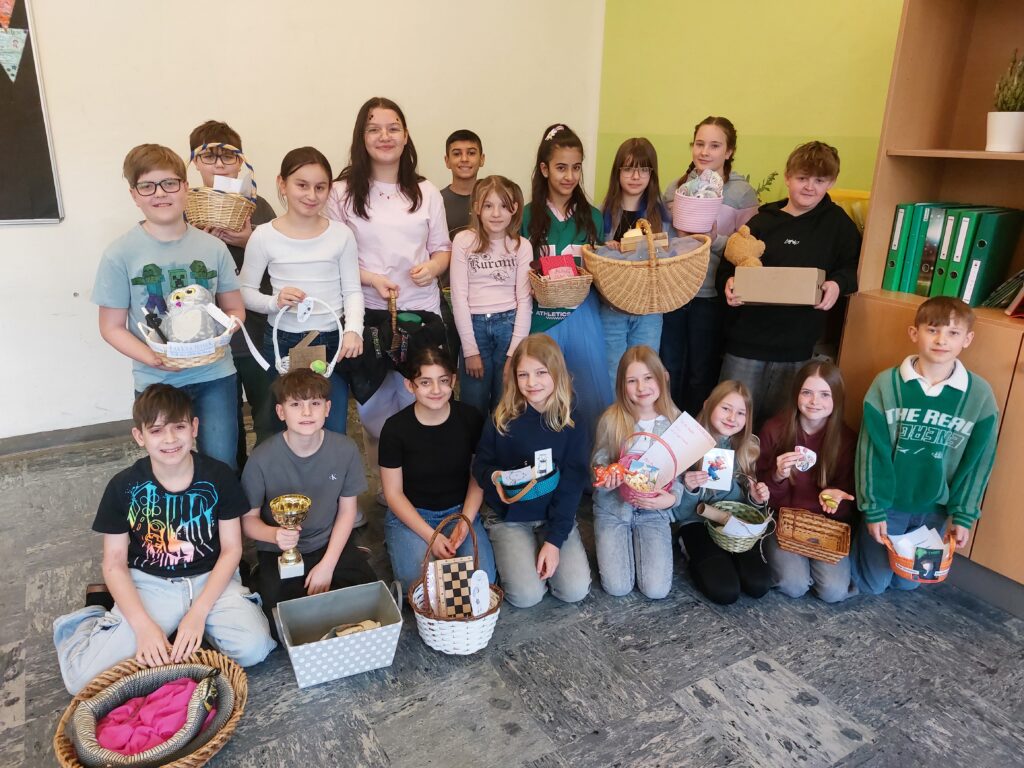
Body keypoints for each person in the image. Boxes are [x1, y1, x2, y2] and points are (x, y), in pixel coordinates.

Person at [53, 385, 275, 695]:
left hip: (211, 579)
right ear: (139, 436)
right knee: (81, 681)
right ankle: (94, 613)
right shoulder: (123, 486)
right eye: (156, 430)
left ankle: (186, 629)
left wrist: (198, 613)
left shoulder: (219, 476)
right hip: (151, 585)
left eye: (179, 427)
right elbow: (114, 563)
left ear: (194, 428)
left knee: (255, 649)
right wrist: (143, 626)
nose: (170, 439)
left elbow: (232, 549)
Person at [325, 97, 452, 505]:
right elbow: (334, 256)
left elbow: (442, 249)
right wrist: (372, 279)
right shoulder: (341, 193)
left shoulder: (426, 191)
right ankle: (386, 489)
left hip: (420, 313)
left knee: (422, 398)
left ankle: (422, 484)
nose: (385, 136)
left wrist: (433, 267)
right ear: (361, 137)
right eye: (374, 128)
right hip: (368, 312)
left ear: (406, 135)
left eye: (393, 127)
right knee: (376, 410)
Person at [92, 144, 245, 469]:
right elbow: (111, 327)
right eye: (147, 186)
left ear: (186, 187)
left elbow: (235, 309)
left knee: (222, 463)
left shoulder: (214, 248)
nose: (160, 193)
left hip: (215, 375)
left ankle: (220, 507)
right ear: (134, 195)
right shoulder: (120, 254)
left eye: (170, 183)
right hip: (156, 380)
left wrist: (224, 334)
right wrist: (153, 357)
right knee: (169, 467)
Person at [852, 297, 998, 594]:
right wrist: (874, 508)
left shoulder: (980, 395)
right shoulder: (886, 384)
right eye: (933, 330)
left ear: (967, 339)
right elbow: (871, 452)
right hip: (890, 505)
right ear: (914, 333)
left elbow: (978, 463)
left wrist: (964, 514)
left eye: (953, 333)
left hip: (935, 511)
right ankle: (854, 541)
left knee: (908, 583)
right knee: (873, 584)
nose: (942, 340)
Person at [718, 140, 860, 427]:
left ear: (831, 182)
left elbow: (852, 268)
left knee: (782, 428)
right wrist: (728, 283)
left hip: (797, 347)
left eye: (819, 181)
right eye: (802, 178)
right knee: (730, 421)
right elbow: (729, 263)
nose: (809, 187)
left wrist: (837, 284)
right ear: (787, 177)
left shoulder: (838, 225)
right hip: (746, 343)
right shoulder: (763, 221)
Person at [239, 147, 363, 437]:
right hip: (282, 341)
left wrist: (353, 330)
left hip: (332, 341)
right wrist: (275, 302)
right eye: (302, 185)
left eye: (320, 187)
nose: (311, 195)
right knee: (282, 425)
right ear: (282, 184)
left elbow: (352, 290)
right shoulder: (263, 235)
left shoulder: (341, 234)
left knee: (331, 425)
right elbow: (244, 291)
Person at [240, 369, 376, 634]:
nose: (306, 412)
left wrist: (328, 564)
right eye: (295, 405)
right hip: (279, 552)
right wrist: (274, 535)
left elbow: (347, 511)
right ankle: (262, 575)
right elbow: (248, 520)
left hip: (328, 543)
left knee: (367, 603)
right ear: (281, 412)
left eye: (314, 403)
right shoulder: (261, 458)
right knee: (282, 622)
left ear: (327, 408)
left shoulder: (345, 449)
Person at [472, 335, 592, 607]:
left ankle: (540, 551)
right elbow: (481, 465)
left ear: (556, 373)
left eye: (541, 373)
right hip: (509, 516)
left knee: (574, 590)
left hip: (553, 516)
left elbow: (572, 484)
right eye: (523, 375)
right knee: (526, 597)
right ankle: (511, 554)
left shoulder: (572, 421)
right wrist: (494, 477)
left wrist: (554, 541)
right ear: (514, 378)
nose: (531, 382)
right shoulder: (502, 417)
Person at [188, 120, 278, 467]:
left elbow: (286, 260)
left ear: (240, 162)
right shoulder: (185, 208)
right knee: (221, 429)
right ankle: (232, 489)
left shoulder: (258, 206)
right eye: (209, 157)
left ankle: (267, 484)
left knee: (269, 415)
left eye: (228, 157)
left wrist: (251, 239)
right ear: (195, 162)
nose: (220, 165)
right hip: (210, 340)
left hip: (258, 333)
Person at [662, 117, 759, 416]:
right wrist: (677, 236)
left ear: (729, 151)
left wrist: (713, 239)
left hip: (711, 296)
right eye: (699, 144)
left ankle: (697, 431)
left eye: (715, 146)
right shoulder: (676, 188)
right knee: (669, 367)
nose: (705, 152)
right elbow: (663, 242)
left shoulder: (741, 193)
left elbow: (747, 249)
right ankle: (667, 428)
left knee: (701, 372)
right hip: (674, 292)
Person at [522, 123, 612, 441]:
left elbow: (599, 270)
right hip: (541, 317)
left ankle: (591, 465)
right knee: (540, 395)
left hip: (582, 314)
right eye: (561, 167)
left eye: (576, 167)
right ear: (544, 169)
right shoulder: (526, 216)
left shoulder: (593, 217)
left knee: (588, 394)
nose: (569, 176)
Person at [379, 347, 496, 589]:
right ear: (410, 385)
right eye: (425, 382)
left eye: (443, 381)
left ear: (453, 380)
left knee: (482, 583)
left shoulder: (469, 418)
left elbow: (478, 476)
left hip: (460, 511)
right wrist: (431, 536)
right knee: (423, 588)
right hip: (412, 515)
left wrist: (465, 521)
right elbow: (393, 493)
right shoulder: (395, 429)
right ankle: (399, 541)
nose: (436, 390)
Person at [757, 360, 857, 602]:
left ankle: (809, 572)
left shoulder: (846, 440)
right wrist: (777, 476)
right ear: (796, 394)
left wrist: (835, 501)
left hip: (825, 526)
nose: (814, 401)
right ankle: (796, 570)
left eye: (825, 394)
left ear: (837, 399)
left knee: (834, 592)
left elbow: (848, 506)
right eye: (807, 392)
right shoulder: (774, 429)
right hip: (781, 520)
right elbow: (759, 496)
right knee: (794, 585)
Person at [592, 346, 682, 599]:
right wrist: (606, 478)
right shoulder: (611, 419)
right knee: (617, 587)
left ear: (662, 377)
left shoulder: (675, 420)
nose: (641, 387)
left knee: (656, 590)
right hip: (613, 508)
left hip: (653, 510)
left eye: (648, 378)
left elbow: (681, 473)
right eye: (632, 381)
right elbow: (598, 463)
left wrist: (671, 499)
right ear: (622, 385)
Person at [673, 380, 771, 604]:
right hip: (695, 522)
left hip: (733, 520)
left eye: (740, 413)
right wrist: (689, 489)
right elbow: (679, 514)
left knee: (759, 584)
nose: (732, 418)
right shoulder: (686, 443)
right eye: (726, 408)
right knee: (725, 591)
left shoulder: (747, 447)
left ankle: (726, 558)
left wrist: (755, 499)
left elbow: (748, 508)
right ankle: (691, 551)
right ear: (708, 405)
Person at [449, 175, 532, 415]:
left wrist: (513, 353)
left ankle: (499, 440)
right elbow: (459, 297)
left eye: (504, 206)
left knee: (504, 404)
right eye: (488, 205)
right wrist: (470, 350)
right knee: (472, 404)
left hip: (508, 326)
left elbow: (524, 301)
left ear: (514, 208)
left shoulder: (522, 246)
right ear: (477, 208)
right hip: (474, 328)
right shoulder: (463, 241)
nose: (496, 214)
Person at [598, 138, 672, 386]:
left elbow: (671, 258)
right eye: (628, 168)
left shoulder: (661, 215)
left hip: (649, 309)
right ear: (617, 172)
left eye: (643, 169)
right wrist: (608, 250)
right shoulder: (603, 212)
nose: (636, 176)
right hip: (612, 307)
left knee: (645, 375)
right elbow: (593, 258)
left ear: (652, 174)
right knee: (613, 375)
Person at [440, 129, 485, 239]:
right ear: (447, 161)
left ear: (482, 159)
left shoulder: (495, 199)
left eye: (471, 153)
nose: (464, 159)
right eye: (457, 154)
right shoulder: (437, 200)